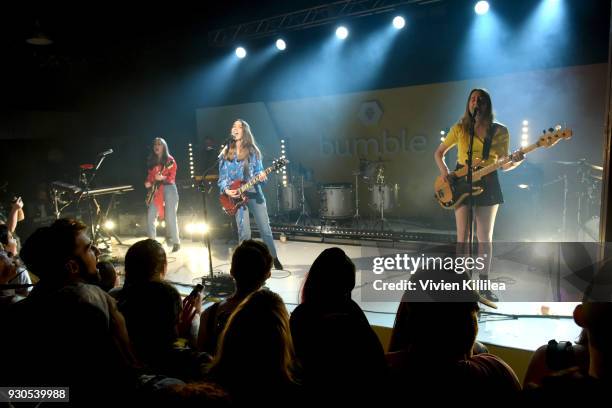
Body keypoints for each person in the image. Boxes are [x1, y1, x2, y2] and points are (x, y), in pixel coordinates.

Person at [433, 89, 524, 301]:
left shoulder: (500, 131)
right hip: (461, 181)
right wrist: (445, 173)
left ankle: (483, 284)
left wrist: (518, 159)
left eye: (480, 100)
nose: (476, 102)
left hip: (489, 181)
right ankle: (461, 282)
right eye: (473, 99)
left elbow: (505, 164)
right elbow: (438, 153)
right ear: (468, 104)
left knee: (484, 238)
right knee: (462, 236)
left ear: (487, 105)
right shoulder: (460, 128)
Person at [218, 119, 283, 270]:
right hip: (237, 198)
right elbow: (222, 179)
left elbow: (259, 171)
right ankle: (245, 264)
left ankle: (273, 257)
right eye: (233, 126)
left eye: (239, 126)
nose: (235, 128)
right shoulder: (225, 152)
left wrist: (262, 176)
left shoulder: (253, 151)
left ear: (244, 131)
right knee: (244, 233)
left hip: (254, 194)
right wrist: (227, 190)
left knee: (265, 229)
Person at [197, 239, 272, 355]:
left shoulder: (208, 315)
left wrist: (197, 314)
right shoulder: (274, 316)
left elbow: (201, 358)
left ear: (231, 271)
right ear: (268, 275)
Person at [145, 137, 180, 253]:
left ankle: (176, 242)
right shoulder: (151, 160)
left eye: (159, 144)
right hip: (156, 190)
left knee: (170, 216)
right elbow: (150, 176)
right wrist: (148, 182)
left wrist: (163, 177)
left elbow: (172, 175)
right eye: (155, 144)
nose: (157, 146)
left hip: (169, 188)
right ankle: (152, 244)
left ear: (164, 146)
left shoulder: (170, 160)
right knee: (150, 216)